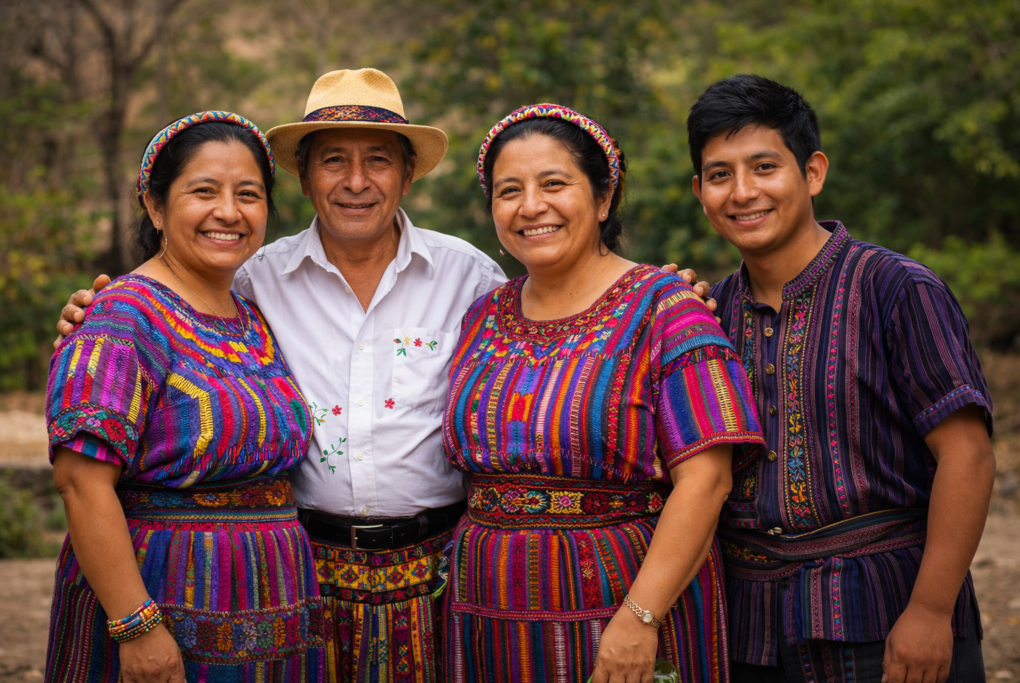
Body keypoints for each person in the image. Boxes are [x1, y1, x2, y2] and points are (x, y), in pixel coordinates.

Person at [54, 70, 719, 682]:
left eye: (377, 159)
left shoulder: (474, 280)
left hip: (439, 580)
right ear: (307, 177)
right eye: (333, 160)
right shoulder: (252, 281)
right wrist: (95, 314)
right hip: (303, 577)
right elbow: (165, 327)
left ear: (407, 175)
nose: (355, 180)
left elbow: (572, 313)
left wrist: (668, 296)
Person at [440, 103, 765, 683]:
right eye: (508, 190)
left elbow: (707, 479)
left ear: (604, 198)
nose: (531, 206)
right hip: (487, 612)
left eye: (554, 183)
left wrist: (641, 617)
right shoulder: (481, 316)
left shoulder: (665, 307)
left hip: (621, 605)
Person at [687, 74, 994, 683]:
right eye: (720, 175)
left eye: (765, 167)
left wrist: (931, 611)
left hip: (883, 611)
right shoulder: (707, 316)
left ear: (814, 172)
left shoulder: (896, 288)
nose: (742, 192)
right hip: (752, 628)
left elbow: (969, 455)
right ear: (700, 191)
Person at [45, 112, 326, 683]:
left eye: (248, 194)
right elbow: (81, 480)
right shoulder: (123, 317)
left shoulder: (250, 315)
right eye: (204, 191)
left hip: (272, 609)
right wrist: (137, 625)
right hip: (163, 602)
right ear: (155, 206)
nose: (229, 212)